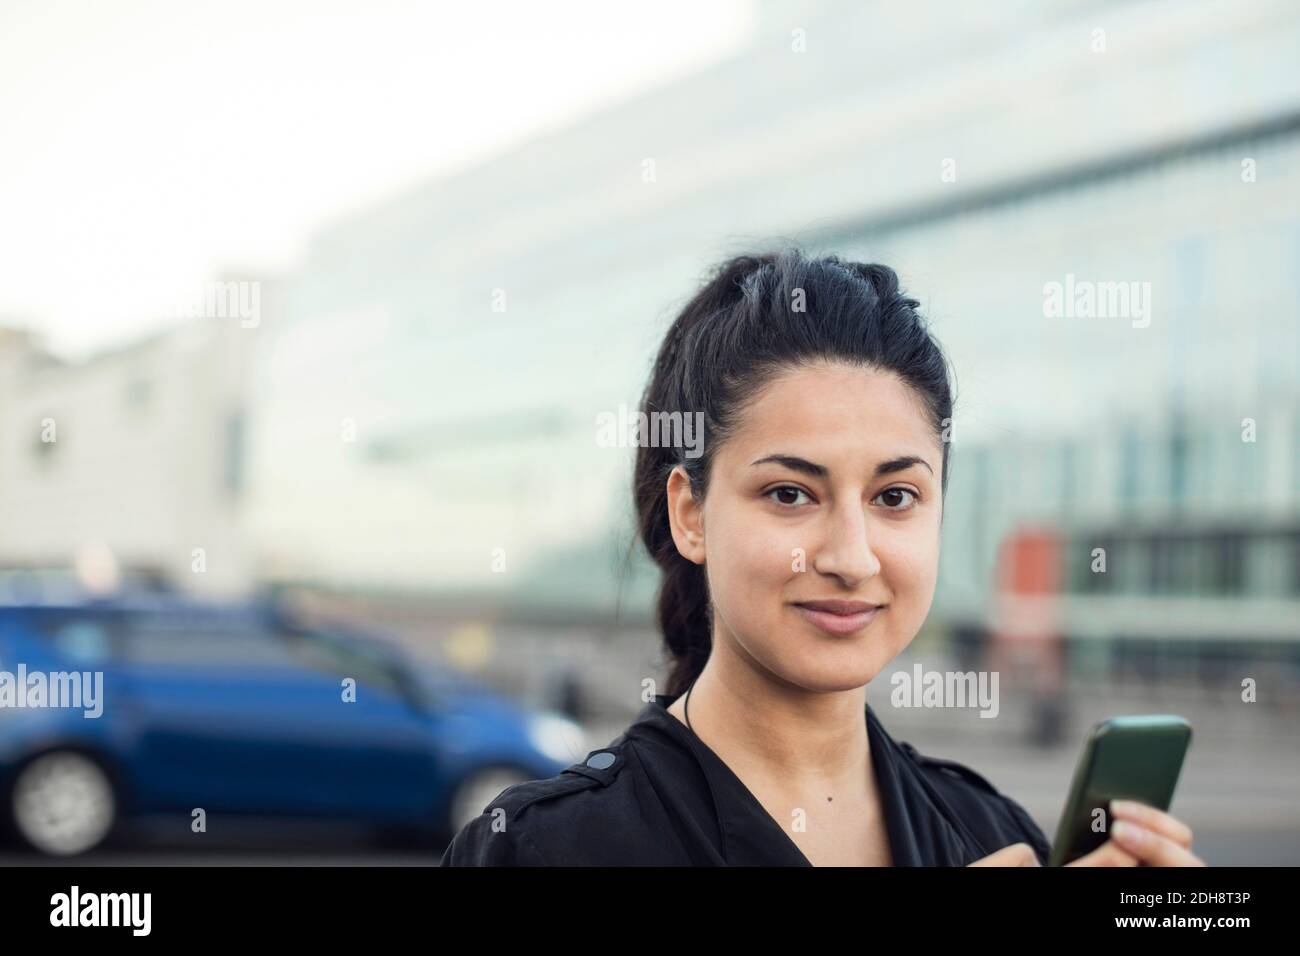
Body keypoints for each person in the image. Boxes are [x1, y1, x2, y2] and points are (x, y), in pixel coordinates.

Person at [440, 248, 1204, 867]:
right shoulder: (542, 850)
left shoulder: (990, 830)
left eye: (895, 498)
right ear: (691, 513)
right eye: (789, 495)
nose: (850, 557)